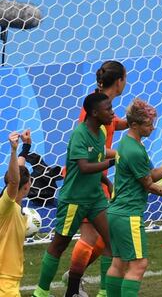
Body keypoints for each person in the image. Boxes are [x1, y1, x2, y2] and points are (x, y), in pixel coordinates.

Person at [106, 98, 162, 296]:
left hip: (116, 214)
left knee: (119, 263)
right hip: (129, 215)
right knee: (138, 265)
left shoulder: (128, 143)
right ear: (134, 124)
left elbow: (150, 175)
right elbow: (149, 185)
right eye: (148, 124)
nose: (152, 128)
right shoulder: (134, 150)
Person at [32, 92, 116, 297]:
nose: (112, 113)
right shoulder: (80, 134)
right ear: (95, 113)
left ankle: (104, 292)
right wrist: (114, 162)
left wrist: (106, 180)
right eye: (108, 109)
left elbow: (96, 158)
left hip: (95, 197)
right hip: (74, 200)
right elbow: (84, 167)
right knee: (60, 244)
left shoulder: (102, 133)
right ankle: (41, 292)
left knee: (110, 239)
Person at [62, 60, 128, 297]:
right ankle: (75, 287)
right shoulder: (97, 108)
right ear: (119, 81)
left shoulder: (101, 105)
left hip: (97, 177)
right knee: (94, 237)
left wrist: (133, 121)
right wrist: (124, 155)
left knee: (103, 239)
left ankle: (76, 278)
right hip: (87, 178)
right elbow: (93, 149)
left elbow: (112, 127)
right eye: (125, 78)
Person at [0, 130, 31, 297]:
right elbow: (14, 180)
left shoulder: (14, 205)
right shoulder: (6, 205)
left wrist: (26, 147)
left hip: (9, 279)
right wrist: (13, 150)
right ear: (26, 186)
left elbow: (18, 173)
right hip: (4, 282)